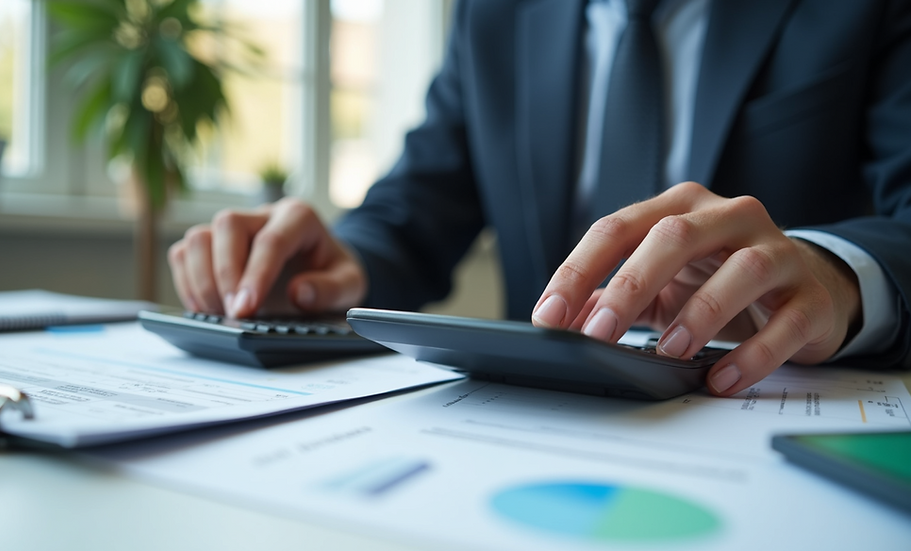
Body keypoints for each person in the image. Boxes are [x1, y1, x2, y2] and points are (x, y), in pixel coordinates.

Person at [168, 0, 911, 397]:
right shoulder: (492, 15)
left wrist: (838, 274)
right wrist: (337, 261)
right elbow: (416, 208)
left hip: (757, 409)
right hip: (525, 421)